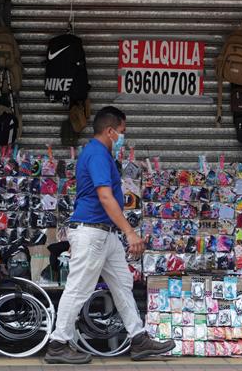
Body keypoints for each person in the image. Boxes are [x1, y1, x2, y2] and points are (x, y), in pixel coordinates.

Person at [44, 107, 175, 364]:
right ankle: (58, 344)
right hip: (92, 232)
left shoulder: (99, 153)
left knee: (122, 283)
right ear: (110, 131)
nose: (123, 138)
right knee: (78, 289)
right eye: (122, 132)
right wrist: (129, 231)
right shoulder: (97, 155)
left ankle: (138, 339)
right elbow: (105, 196)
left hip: (105, 233)